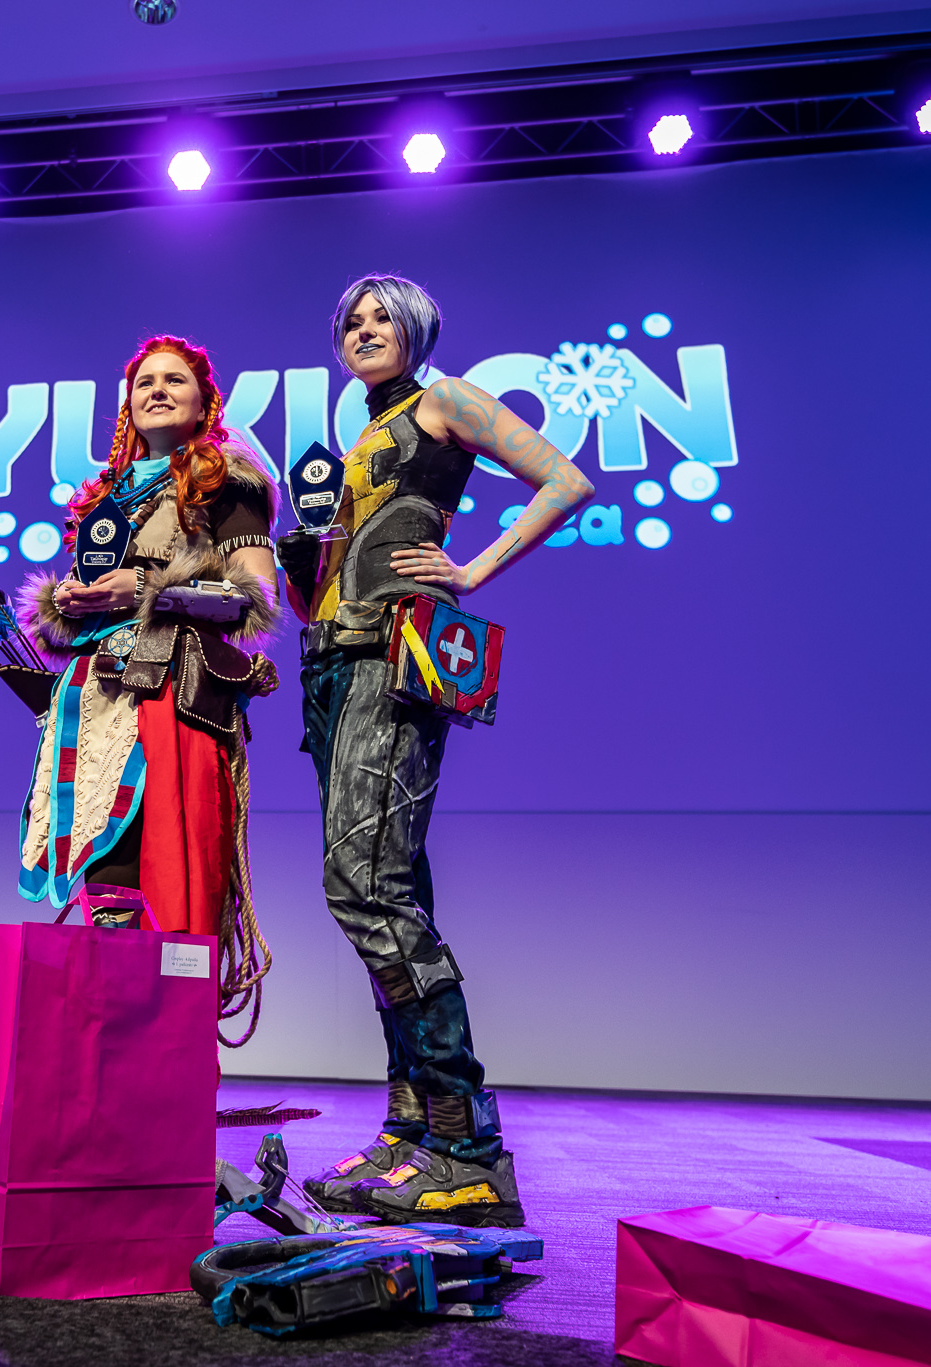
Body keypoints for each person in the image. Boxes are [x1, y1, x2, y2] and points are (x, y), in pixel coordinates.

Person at [279, 275, 592, 1226]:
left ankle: (466, 1145)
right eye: (352, 321)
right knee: (386, 888)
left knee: (365, 889)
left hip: (395, 655)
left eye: (383, 317)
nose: (365, 330)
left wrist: (472, 569)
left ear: (416, 329)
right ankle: (410, 1130)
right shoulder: (364, 430)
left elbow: (567, 480)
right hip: (336, 661)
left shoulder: (444, 398)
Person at [20, 334, 280, 1041]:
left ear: (204, 401)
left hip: (172, 696)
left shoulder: (227, 480)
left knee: (167, 864)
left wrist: (148, 588)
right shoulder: (104, 495)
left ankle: (169, 1060)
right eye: (144, 382)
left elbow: (256, 597)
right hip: (96, 697)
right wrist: (67, 602)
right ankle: (111, 1051)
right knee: (104, 862)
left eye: (175, 380)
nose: (157, 390)